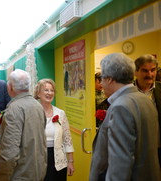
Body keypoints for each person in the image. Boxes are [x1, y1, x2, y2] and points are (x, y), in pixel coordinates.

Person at [89, 53, 161, 181]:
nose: (102, 84)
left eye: (102, 79)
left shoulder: (121, 107)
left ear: (110, 79)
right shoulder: (144, 100)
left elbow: (120, 163)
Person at [0, 69, 47, 181]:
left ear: (10, 87)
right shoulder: (38, 106)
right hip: (37, 172)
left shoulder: (14, 109)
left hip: (19, 175)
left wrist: (0, 178)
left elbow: (9, 155)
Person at [34, 78, 75, 181]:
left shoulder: (60, 113)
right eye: (46, 90)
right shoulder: (32, 113)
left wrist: (71, 161)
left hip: (58, 160)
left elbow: (67, 139)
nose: (49, 93)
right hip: (38, 159)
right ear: (38, 94)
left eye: (52, 90)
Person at [134, 54, 161, 167]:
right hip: (136, 151)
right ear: (136, 72)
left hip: (158, 149)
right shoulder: (126, 92)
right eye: (145, 70)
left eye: (153, 70)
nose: (150, 74)